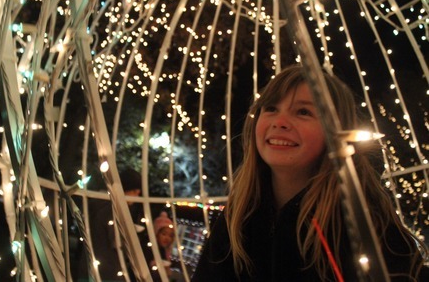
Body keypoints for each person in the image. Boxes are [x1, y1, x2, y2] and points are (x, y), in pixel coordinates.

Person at [192, 65, 428, 281]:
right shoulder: (239, 215)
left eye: (303, 112)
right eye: (271, 108)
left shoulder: (363, 219)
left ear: (335, 131)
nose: (280, 121)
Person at [76, 168, 144, 281]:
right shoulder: (112, 210)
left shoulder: (101, 205)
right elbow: (117, 241)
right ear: (125, 188)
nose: (138, 194)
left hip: (90, 266)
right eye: (135, 190)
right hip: (106, 271)